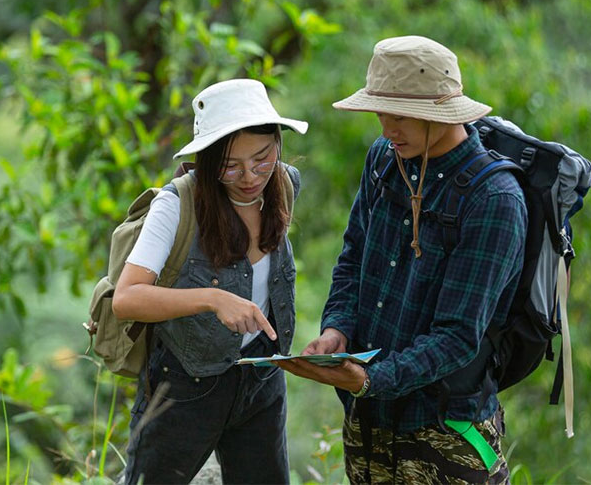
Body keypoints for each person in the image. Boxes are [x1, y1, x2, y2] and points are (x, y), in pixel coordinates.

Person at [277, 36, 526, 484]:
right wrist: (337, 329)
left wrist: (372, 380)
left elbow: (457, 336)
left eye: (400, 116)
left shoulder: (494, 200)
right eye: (380, 113)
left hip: (445, 431)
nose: (387, 128)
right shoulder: (383, 160)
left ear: (439, 111)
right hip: (369, 421)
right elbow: (353, 258)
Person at [112, 78, 307, 485]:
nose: (250, 176)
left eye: (262, 157)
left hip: (261, 376)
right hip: (185, 383)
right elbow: (127, 298)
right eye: (230, 165)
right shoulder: (176, 204)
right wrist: (212, 299)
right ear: (206, 159)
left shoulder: (284, 184)